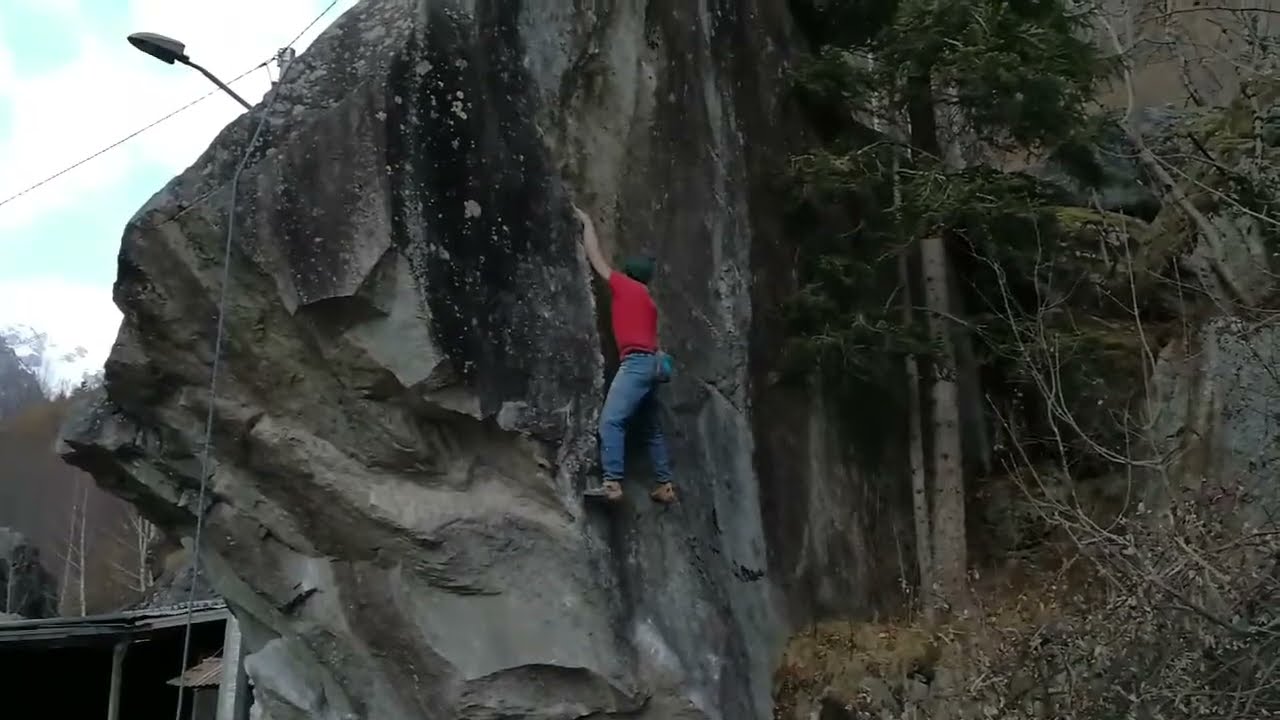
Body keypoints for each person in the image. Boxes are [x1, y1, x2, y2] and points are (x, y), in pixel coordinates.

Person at [574, 205, 677, 505]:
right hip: (652, 366)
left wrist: (587, 222)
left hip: (635, 365)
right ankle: (664, 484)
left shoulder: (625, 287)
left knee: (610, 421)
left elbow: (596, 259)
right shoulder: (648, 301)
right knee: (650, 426)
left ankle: (612, 484)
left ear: (629, 273)